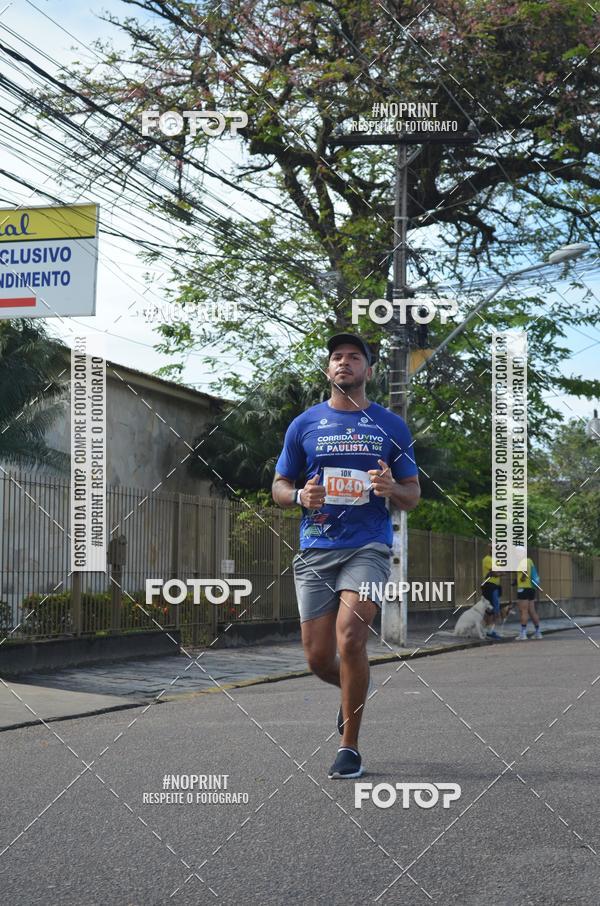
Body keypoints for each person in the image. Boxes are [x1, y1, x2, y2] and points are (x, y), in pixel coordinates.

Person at [272, 334, 420, 779]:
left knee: (351, 638)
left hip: (369, 545)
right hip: (317, 547)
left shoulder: (391, 426)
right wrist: (300, 494)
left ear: (368, 371)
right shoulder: (304, 425)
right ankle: (349, 696)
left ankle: (349, 747)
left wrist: (391, 488)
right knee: (318, 659)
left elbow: (413, 494)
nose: (344, 363)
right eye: (337, 357)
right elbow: (278, 487)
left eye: (354, 357)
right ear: (328, 369)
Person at [516, 556, 542, 640]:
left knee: (523, 611)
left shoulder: (522, 561)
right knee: (532, 611)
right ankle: (538, 632)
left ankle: (523, 634)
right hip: (531, 588)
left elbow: (525, 572)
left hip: (523, 588)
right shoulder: (529, 561)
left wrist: (521, 578)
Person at [481, 544, 502, 640]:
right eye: (491, 548)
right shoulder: (487, 559)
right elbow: (495, 573)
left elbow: (500, 572)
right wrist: (499, 572)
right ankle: (488, 631)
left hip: (495, 586)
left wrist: (499, 572)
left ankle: (489, 630)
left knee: (494, 609)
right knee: (491, 609)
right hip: (489, 586)